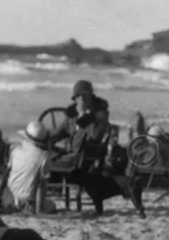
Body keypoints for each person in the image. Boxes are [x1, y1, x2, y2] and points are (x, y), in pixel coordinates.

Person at [51, 80, 146, 217]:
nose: (82, 99)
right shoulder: (71, 117)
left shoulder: (100, 115)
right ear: (75, 98)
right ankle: (37, 200)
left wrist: (84, 116)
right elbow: (57, 134)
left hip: (88, 162)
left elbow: (96, 134)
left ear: (91, 97)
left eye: (85, 96)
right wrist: (42, 138)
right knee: (42, 158)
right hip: (71, 157)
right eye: (79, 96)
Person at [0, 121, 53, 213]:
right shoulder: (44, 156)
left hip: (9, 197)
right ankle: (32, 207)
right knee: (51, 205)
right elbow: (41, 185)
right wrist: (40, 209)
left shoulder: (15, 150)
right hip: (28, 200)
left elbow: (6, 174)